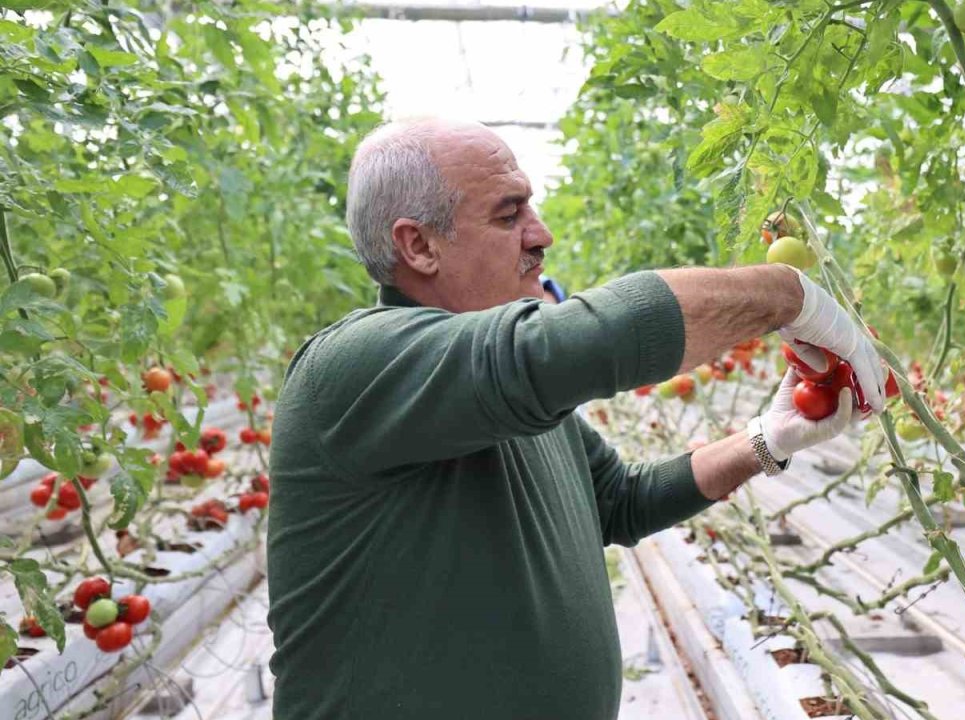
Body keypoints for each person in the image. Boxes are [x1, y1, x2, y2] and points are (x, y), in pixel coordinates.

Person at [265, 117, 887, 720]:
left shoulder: (503, 395)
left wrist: (765, 440)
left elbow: (619, 500)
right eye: (508, 215)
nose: (541, 235)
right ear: (418, 245)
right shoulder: (354, 365)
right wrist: (789, 296)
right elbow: (585, 339)